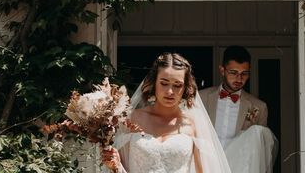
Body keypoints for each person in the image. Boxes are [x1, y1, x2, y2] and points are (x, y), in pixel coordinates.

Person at [102, 52, 231, 173]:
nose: (170, 91)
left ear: (186, 87)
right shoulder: (132, 119)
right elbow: (118, 168)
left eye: (177, 85)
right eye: (164, 83)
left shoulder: (193, 124)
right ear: (154, 83)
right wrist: (116, 166)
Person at [200, 46, 278, 173]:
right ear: (222, 70)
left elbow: (261, 151)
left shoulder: (259, 107)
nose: (239, 79)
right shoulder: (201, 98)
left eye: (244, 74)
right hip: (205, 166)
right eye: (233, 72)